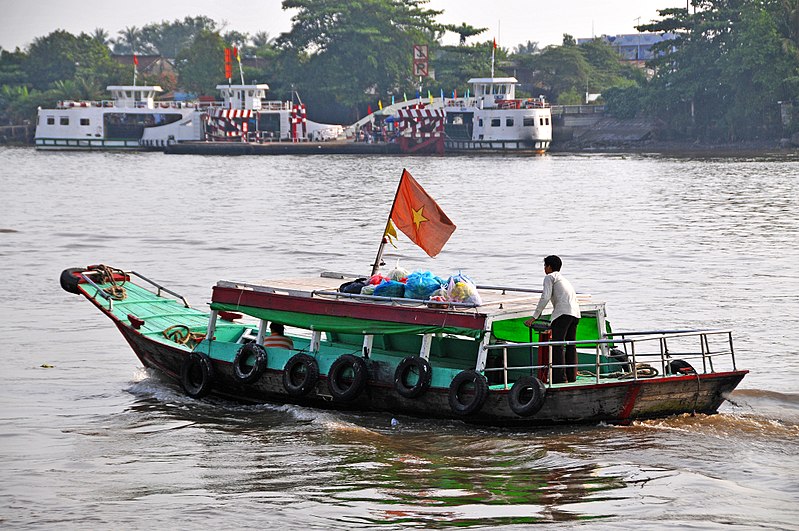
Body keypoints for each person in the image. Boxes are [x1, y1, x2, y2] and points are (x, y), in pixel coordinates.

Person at [524, 255, 581, 383]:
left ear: (549, 267)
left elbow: (545, 297)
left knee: (557, 345)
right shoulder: (564, 279)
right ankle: (572, 377)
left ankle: (559, 378)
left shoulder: (549, 277)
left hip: (563, 314)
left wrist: (534, 317)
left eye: (545, 266)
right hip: (575, 314)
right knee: (571, 345)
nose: (544, 268)